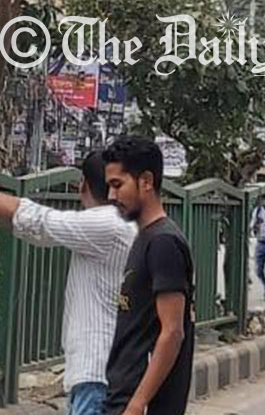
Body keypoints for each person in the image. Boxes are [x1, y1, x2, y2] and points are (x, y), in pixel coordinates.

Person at [0, 152, 135, 415]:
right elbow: (35, 229)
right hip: (106, 371)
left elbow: (37, 219)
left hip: (97, 373)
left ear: (82, 184)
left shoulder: (107, 222)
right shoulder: (120, 224)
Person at [102, 134, 195, 415]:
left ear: (146, 181)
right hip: (123, 398)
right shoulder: (147, 238)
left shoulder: (163, 243)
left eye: (118, 185)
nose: (111, 196)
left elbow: (173, 332)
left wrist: (138, 403)